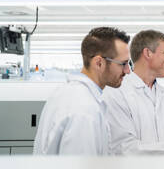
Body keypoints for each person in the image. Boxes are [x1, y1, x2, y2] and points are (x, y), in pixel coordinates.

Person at [33, 27, 131, 155]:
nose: (128, 70)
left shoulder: (66, 93)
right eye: (123, 64)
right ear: (99, 63)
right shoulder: (84, 110)